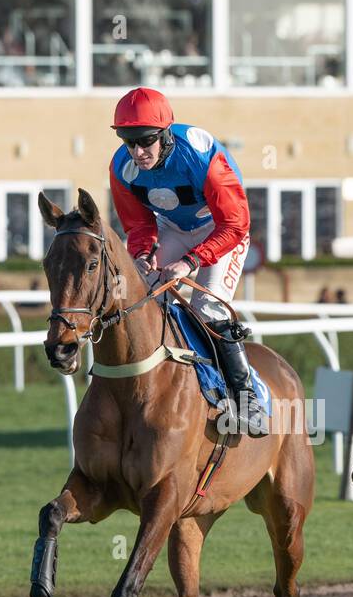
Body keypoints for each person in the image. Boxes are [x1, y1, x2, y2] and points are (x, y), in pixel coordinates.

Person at [107, 86, 268, 437]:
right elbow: (138, 224)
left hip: (222, 230)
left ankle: (247, 398)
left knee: (207, 309)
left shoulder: (199, 153)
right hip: (174, 228)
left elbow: (235, 223)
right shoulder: (121, 167)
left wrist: (190, 262)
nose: (137, 151)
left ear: (165, 134)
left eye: (145, 141)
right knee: (142, 297)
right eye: (128, 141)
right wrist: (144, 254)